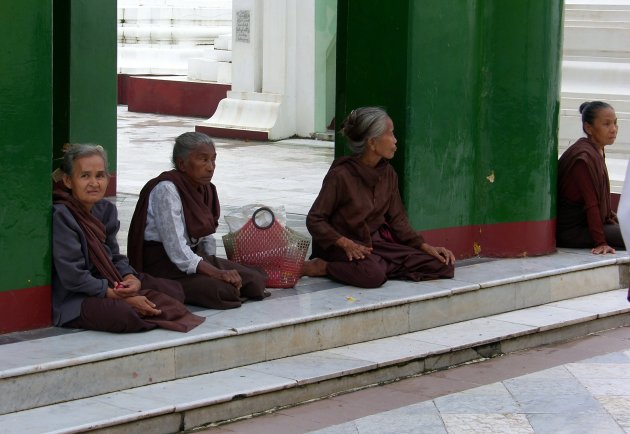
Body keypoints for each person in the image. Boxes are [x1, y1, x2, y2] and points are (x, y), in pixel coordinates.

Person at [52, 144, 204, 333]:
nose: (94, 183)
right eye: (85, 176)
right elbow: (73, 276)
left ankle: (141, 305)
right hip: (76, 298)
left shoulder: (105, 210)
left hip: (111, 283)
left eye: (100, 175)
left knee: (172, 291)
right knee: (126, 314)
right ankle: (138, 307)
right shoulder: (62, 215)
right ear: (67, 181)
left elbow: (114, 256)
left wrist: (129, 277)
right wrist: (118, 296)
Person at [303, 106, 455, 288]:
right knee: (373, 276)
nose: (395, 141)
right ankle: (324, 267)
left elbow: (398, 220)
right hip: (344, 247)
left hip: (376, 247)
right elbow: (315, 219)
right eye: (390, 134)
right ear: (372, 143)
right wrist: (344, 243)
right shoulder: (341, 175)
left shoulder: (388, 174)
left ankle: (376, 266)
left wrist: (424, 247)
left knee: (442, 266)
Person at [127, 132, 268, 309]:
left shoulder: (205, 189)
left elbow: (206, 235)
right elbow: (176, 250)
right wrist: (216, 273)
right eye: (203, 159)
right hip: (164, 266)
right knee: (223, 291)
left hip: (194, 258)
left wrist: (212, 263)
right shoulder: (166, 190)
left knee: (255, 279)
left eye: (213, 160)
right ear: (182, 164)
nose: (210, 167)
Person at [557, 101, 624, 254]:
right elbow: (591, 204)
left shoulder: (597, 150)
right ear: (589, 128)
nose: (613, 129)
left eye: (615, 123)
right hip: (573, 231)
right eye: (606, 124)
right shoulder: (583, 158)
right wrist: (601, 242)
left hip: (590, 225)